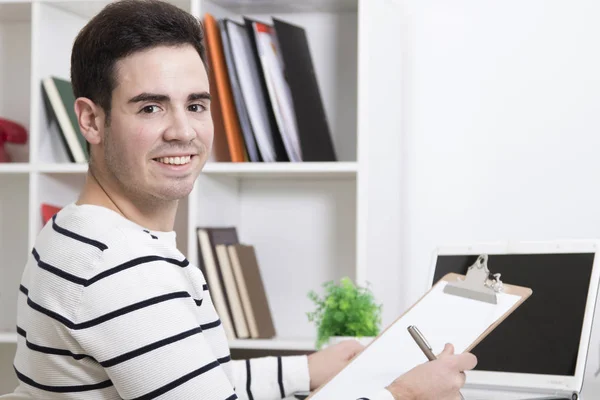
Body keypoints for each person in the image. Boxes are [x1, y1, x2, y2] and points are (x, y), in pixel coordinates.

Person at [7, 0, 477, 399]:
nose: (183, 131)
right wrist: (404, 394)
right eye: (150, 107)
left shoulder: (77, 232)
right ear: (91, 121)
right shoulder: (121, 268)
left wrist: (307, 371)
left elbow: (191, 378)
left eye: (195, 104)